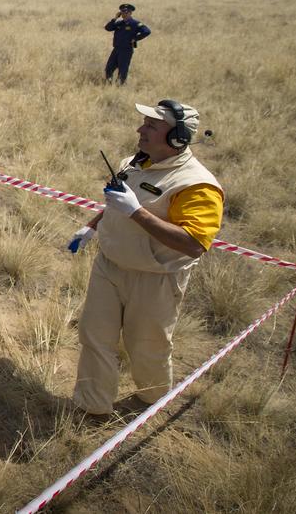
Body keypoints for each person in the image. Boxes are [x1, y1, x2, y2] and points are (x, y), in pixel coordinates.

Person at [71, 100, 224, 417]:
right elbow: (120, 203)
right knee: (94, 337)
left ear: (177, 137)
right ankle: (92, 406)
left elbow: (194, 244)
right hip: (109, 266)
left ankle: (152, 400)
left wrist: (136, 212)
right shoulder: (134, 162)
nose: (141, 129)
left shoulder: (197, 185)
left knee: (147, 346)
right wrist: (91, 227)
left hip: (155, 278)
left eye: (152, 126)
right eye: (143, 123)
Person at [104, 3, 151, 85]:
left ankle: (120, 87)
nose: (124, 14)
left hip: (126, 50)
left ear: (130, 13)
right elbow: (108, 28)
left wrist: (135, 39)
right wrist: (115, 18)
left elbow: (147, 31)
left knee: (122, 70)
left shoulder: (135, 24)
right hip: (116, 49)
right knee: (109, 68)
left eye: (126, 12)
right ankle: (108, 85)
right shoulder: (119, 23)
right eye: (122, 12)